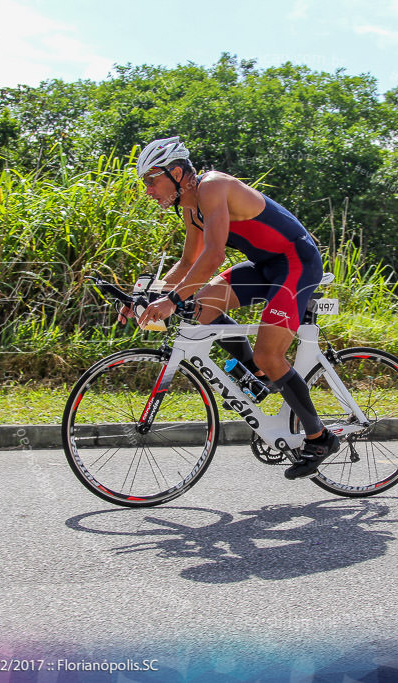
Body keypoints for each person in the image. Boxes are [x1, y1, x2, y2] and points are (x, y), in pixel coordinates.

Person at [129, 136, 339, 480]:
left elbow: (214, 256)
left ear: (178, 172)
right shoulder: (190, 205)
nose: (148, 190)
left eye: (152, 180)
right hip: (266, 266)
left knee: (270, 355)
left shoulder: (213, 187)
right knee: (201, 309)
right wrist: (147, 296)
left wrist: (171, 300)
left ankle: (320, 438)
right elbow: (187, 263)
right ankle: (256, 376)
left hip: (296, 264)